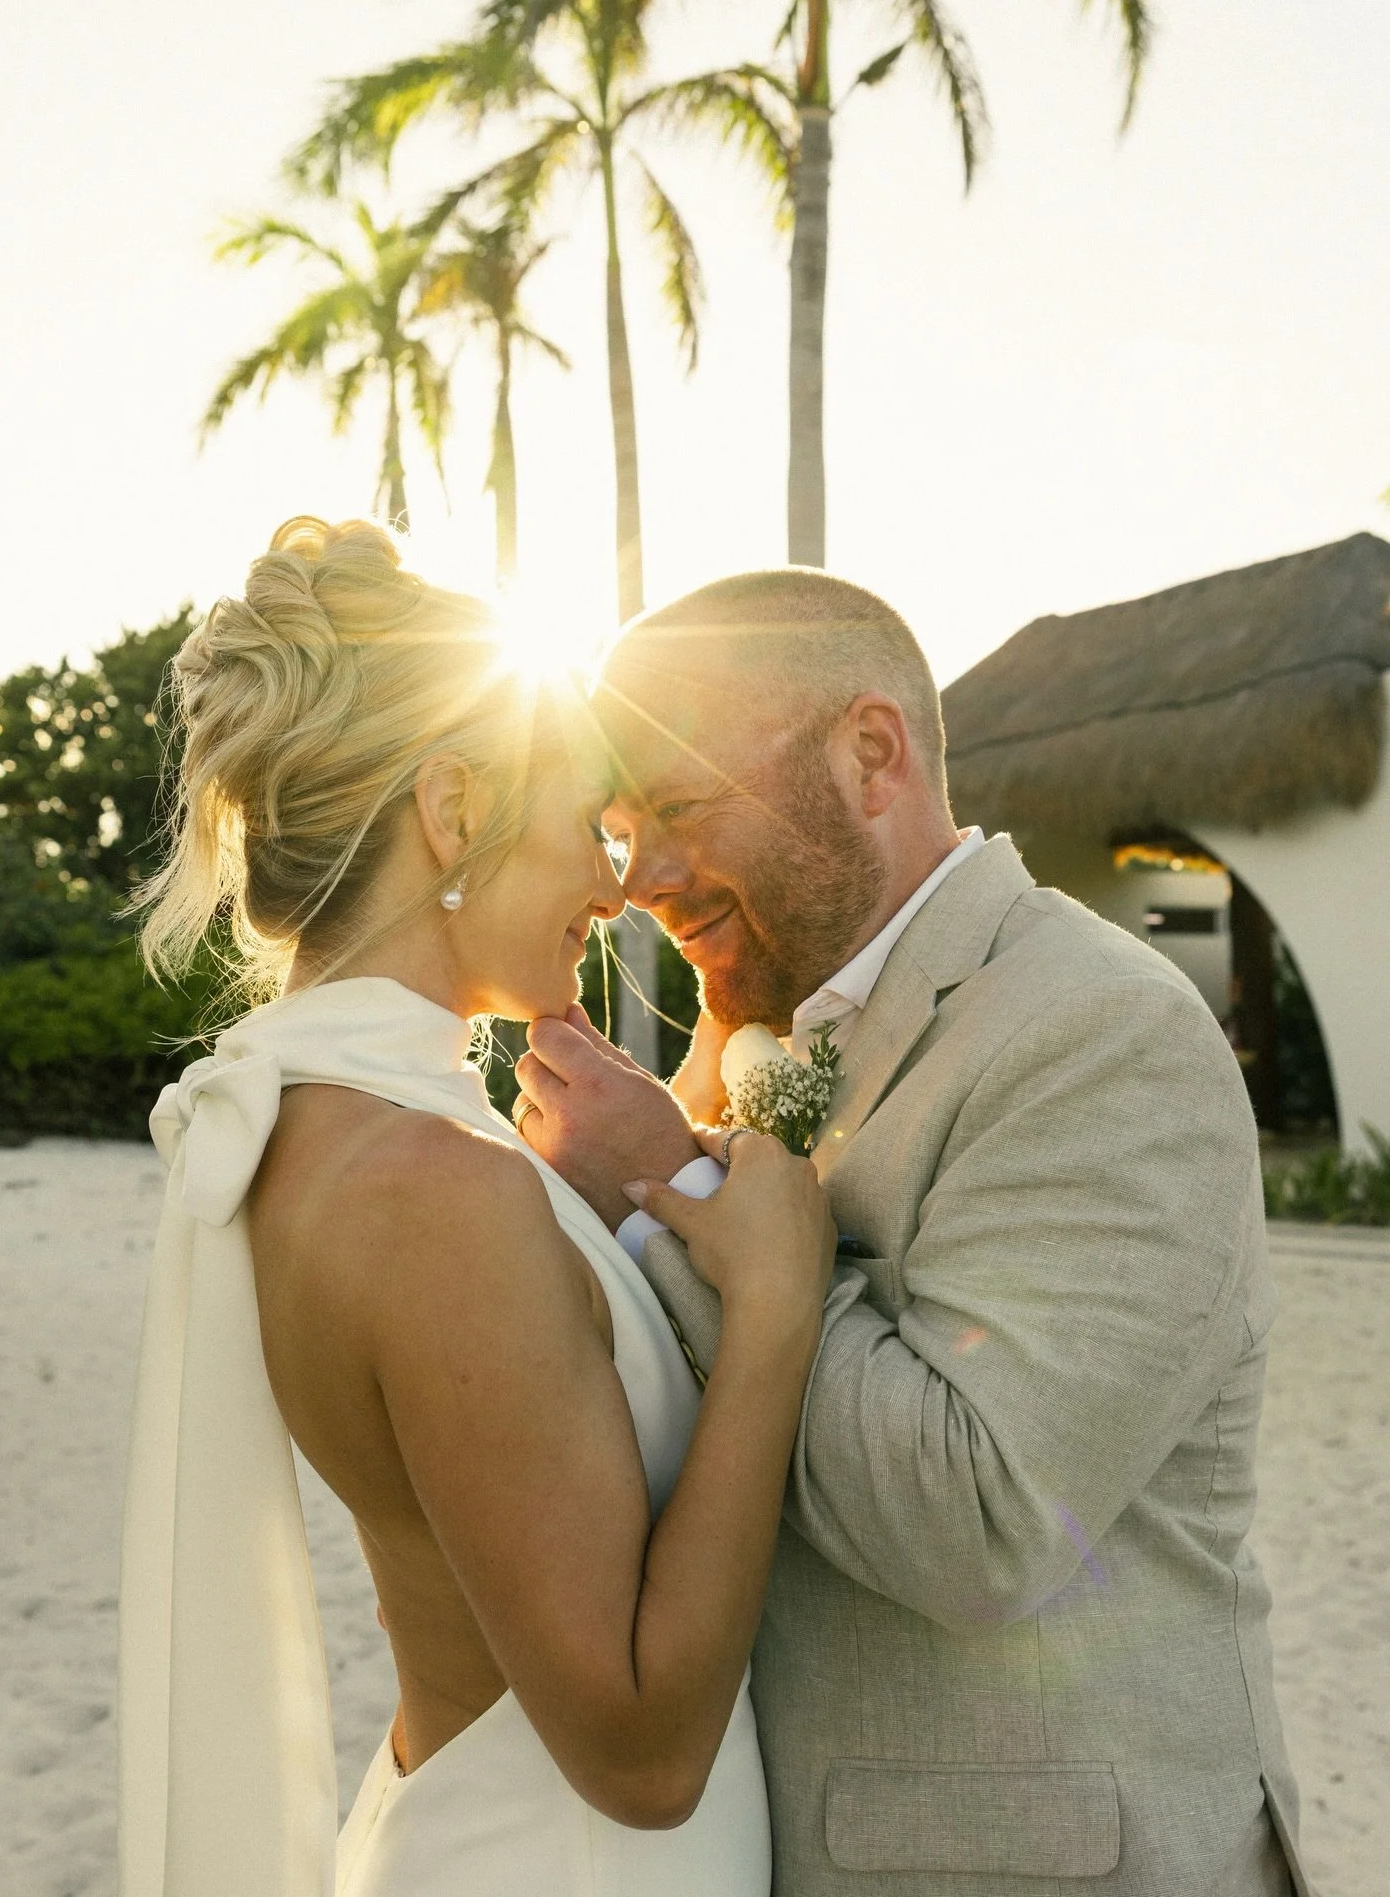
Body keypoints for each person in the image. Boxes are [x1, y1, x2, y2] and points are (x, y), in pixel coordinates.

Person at [517, 568, 1311, 1897]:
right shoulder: (748, 1040)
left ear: (871, 755)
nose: (643, 877)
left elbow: (989, 1520)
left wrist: (672, 1198)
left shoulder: (1104, 1032)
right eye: (617, 827)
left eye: (681, 808)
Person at [117, 520, 837, 1897]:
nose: (613, 880)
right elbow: (639, 1758)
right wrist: (776, 1318)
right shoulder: (430, 1189)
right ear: (451, 811)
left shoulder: (326, 1132)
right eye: (584, 820)